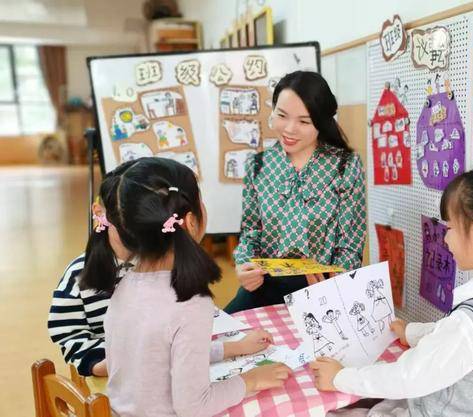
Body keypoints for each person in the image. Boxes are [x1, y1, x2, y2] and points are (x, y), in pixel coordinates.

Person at [311, 167, 473, 417]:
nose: (445, 239)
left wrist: (339, 378)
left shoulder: (470, 324)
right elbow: (451, 340)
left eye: (450, 228)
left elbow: (407, 377)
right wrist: (412, 333)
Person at [81, 157, 292, 417]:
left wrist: (233, 348)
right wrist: (250, 381)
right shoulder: (190, 304)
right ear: (191, 221)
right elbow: (193, 407)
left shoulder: (125, 284)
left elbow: (158, 356)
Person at [225, 71, 366, 313]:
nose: (289, 129)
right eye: (282, 115)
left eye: (304, 121)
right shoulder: (258, 166)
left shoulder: (345, 166)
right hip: (264, 285)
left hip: (325, 289)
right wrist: (244, 266)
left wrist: (334, 283)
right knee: (221, 330)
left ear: (321, 122)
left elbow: (351, 244)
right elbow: (251, 233)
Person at [47, 160, 136, 377]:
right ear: (100, 213)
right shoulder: (79, 274)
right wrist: (102, 365)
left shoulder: (163, 263)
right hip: (110, 377)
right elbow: (69, 336)